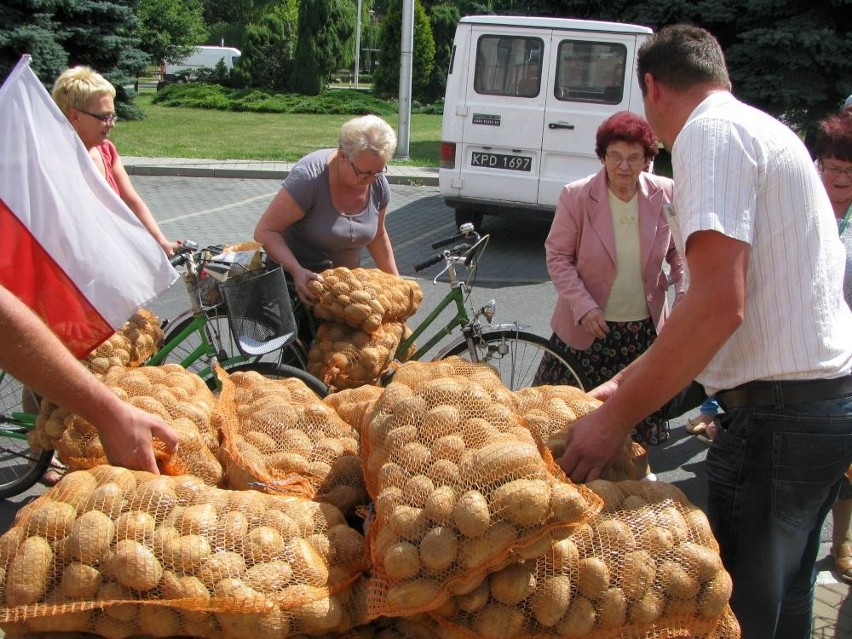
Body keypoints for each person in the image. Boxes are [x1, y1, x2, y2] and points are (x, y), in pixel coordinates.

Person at [558, 25, 852, 638]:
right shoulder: (762, 127)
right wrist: (620, 387)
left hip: (775, 423)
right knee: (786, 601)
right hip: (822, 409)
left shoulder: (709, 134)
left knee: (733, 613)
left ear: (653, 86)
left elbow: (720, 305)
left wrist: (614, 421)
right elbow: (718, 312)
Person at [535, 111, 684, 447]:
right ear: (602, 156)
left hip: (642, 334)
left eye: (634, 158)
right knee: (566, 425)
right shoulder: (576, 196)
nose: (624, 166)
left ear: (648, 159)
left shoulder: (666, 192)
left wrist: (684, 289)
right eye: (615, 156)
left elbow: (680, 251)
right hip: (587, 329)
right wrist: (583, 306)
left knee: (634, 429)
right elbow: (558, 256)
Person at [0, 285, 179, 474]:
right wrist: (111, 416)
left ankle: (41, 450)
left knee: (48, 370)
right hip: (59, 301)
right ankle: (39, 453)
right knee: (46, 374)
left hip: (86, 301)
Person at [254, 114, 399, 306]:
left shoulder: (377, 183)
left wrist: (397, 284)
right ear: (342, 156)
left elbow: (378, 235)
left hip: (344, 293)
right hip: (297, 288)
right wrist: (296, 270)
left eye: (378, 171)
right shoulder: (309, 179)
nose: (371, 180)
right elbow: (265, 231)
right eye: (363, 173)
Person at [51, 66, 178, 256]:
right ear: (75, 116)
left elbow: (132, 201)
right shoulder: (53, 160)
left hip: (106, 256)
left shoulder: (107, 151)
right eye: (104, 117)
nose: (112, 123)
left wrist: (161, 242)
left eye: (112, 116)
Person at [813, 107, 852, 584]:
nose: (841, 178)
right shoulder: (805, 209)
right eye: (834, 168)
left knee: (848, 460)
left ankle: (841, 542)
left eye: (850, 170)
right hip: (813, 354)